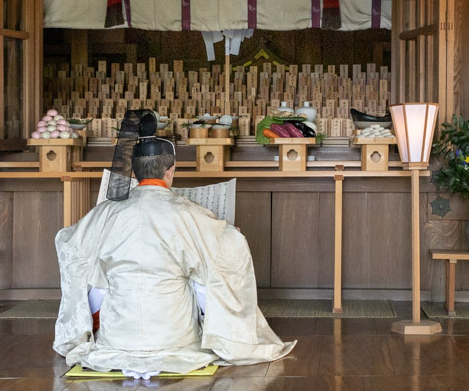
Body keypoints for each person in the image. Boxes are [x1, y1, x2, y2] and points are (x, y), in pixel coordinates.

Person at [53, 110, 295, 376]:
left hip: (118, 337)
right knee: (206, 275)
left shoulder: (106, 212)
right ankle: (222, 336)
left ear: (134, 172)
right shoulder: (188, 212)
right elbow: (228, 249)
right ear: (171, 171)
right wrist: (230, 235)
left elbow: (67, 242)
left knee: (96, 277)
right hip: (174, 339)